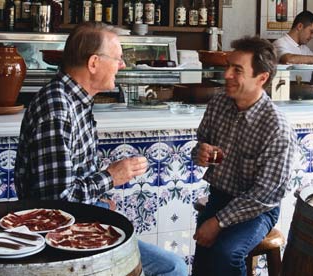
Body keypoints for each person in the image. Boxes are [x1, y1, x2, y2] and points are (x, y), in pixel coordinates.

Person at [14, 22, 187, 276]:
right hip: (58, 240)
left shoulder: (76, 101)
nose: (123, 65)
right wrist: (111, 177)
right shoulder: (57, 107)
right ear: (93, 63)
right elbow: (56, 205)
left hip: (81, 221)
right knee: (173, 269)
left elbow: (73, 184)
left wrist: (99, 201)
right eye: (117, 58)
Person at [191, 36, 297, 276]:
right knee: (203, 260)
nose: (226, 74)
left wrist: (217, 222)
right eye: (228, 66)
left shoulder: (276, 127)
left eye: (237, 70)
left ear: (262, 79)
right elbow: (200, 144)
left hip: (258, 209)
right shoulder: (219, 103)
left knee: (226, 254)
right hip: (219, 196)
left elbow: (265, 194)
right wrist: (200, 152)